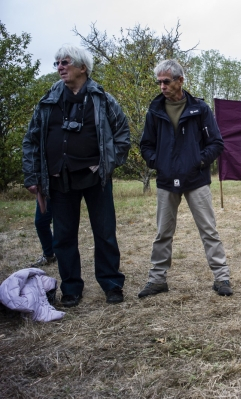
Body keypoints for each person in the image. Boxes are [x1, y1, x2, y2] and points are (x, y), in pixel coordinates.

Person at [22, 44, 131, 307]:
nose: (60, 67)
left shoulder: (103, 99)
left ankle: (112, 284)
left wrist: (106, 164)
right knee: (63, 236)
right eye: (57, 62)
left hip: (95, 178)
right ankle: (71, 288)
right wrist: (32, 176)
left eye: (66, 62)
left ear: (83, 67)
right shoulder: (47, 101)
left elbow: (122, 135)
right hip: (60, 180)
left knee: (105, 233)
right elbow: (31, 141)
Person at [138, 59, 232, 297]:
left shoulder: (200, 109)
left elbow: (216, 144)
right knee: (163, 233)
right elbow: (146, 145)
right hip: (166, 181)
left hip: (196, 180)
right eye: (159, 82)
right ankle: (157, 279)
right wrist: (158, 163)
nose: (162, 86)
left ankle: (222, 278)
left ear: (180, 81)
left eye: (166, 81)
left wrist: (198, 162)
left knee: (209, 230)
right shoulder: (155, 110)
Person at [29, 200, 56, 267]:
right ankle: (49, 255)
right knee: (41, 222)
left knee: (65, 224)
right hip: (46, 192)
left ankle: (64, 254)